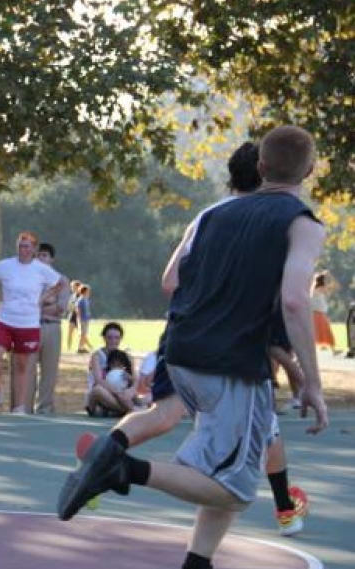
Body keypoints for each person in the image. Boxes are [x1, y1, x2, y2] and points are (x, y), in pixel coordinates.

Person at [58, 126, 329, 569]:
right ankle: (123, 469)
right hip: (229, 364)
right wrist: (312, 383)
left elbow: (175, 280)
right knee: (236, 489)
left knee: (229, 465)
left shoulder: (216, 215)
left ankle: (197, 562)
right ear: (311, 170)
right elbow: (296, 299)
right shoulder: (301, 222)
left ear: (260, 168)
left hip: (183, 352)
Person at [0, 231, 66, 414]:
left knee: (21, 366)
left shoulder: (40, 269)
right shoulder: (6, 265)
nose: (22, 249)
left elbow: (61, 283)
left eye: (26, 246)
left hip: (28, 323)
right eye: (20, 245)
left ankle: (19, 407)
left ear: (34, 249)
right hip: (4, 319)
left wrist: (44, 297)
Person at [21, 242, 71, 414]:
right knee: (27, 370)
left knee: (49, 371)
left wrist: (38, 306)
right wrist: (46, 303)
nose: (41, 258)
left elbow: (61, 307)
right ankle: (25, 408)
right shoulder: (27, 279)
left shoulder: (61, 280)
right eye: (38, 255)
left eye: (44, 255)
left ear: (51, 259)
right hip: (30, 327)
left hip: (51, 327)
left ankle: (45, 408)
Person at [84, 323, 138, 417]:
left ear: (121, 338)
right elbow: (99, 380)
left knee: (146, 397)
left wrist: (130, 389)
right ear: (104, 338)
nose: (113, 341)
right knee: (97, 390)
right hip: (102, 395)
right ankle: (130, 410)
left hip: (122, 396)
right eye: (110, 338)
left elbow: (136, 380)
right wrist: (118, 393)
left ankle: (120, 410)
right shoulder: (97, 355)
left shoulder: (127, 356)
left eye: (117, 338)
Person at [311, 271, 336, 351]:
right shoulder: (320, 289)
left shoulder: (314, 289)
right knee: (326, 331)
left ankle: (323, 347)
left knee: (316, 332)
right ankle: (332, 349)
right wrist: (330, 275)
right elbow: (335, 285)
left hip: (315, 313)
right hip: (319, 313)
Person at [75, 284, 93, 354]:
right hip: (82, 319)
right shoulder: (81, 300)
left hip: (86, 319)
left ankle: (82, 347)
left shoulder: (86, 299)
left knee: (84, 334)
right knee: (82, 334)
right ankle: (80, 348)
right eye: (88, 291)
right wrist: (79, 319)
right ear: (84, 291)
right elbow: (78, 310)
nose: (89, 292)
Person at [66, 280, 83, 352]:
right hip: (72, 316)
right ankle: (69, 349)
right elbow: (69, 307)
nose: (72, 288)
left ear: (78, 287)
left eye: (73, 287)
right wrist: (72, 307)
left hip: (80, 317)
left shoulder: (82, 296)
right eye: (71, 287)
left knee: (82, 334)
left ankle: (88, 347)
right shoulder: (72, 296)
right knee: (70, 333)